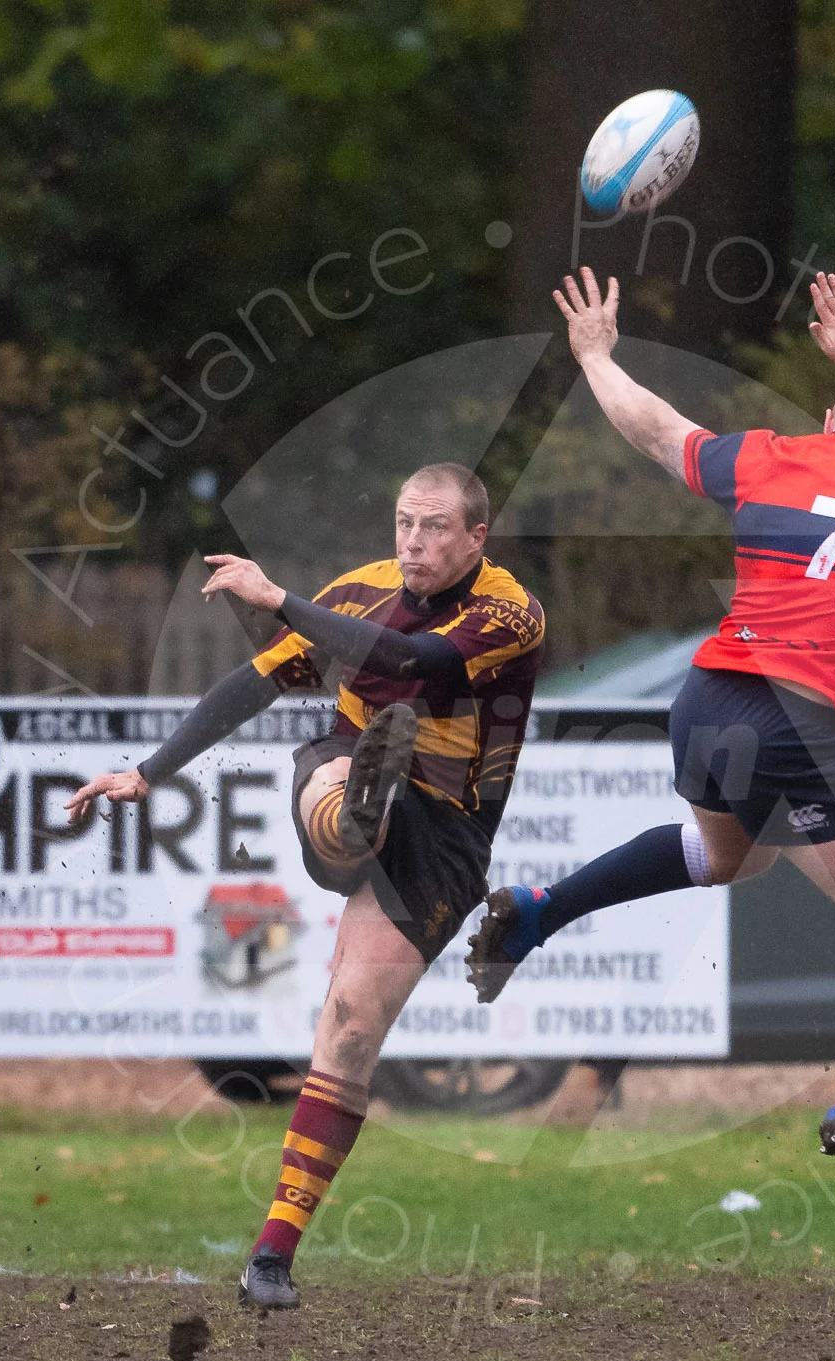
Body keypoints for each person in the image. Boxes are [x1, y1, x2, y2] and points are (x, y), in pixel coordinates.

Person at [467, 269, 835, 1215]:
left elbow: (658, 429)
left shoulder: (775, 457)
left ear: (829, 418)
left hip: (704, 699)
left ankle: (539, 912)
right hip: (796, 717)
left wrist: (595, 357)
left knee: (735, 858)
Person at [65, 463, 545, 1305]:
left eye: (435, 527)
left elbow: (412, 658)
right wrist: (148, 771)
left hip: (451, 836)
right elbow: (258, 682)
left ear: (477, 537)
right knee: (338, 795)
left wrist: (279, 596)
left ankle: (272, 1257)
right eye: (403, 522)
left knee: (353, 1031)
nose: (413, 542)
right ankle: (358, 811)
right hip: (347, 768)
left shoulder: (510, 612)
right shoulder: (358, 590)